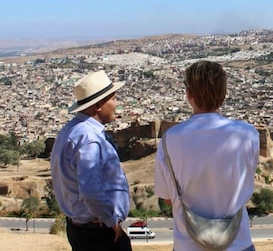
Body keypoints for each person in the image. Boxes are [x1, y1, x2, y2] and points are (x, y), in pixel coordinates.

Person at [154, 60, 260, 251]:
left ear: (189, 94)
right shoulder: (248, 134)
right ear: (224, 95)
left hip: (188, 245)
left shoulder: (170, 140)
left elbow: (167, 198)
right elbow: (247, 181)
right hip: (238, 243)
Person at [51, 70, 132, 251]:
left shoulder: (69, 131)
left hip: (79, 228)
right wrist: (111, 221)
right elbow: (89, 190)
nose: (117, 104)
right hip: (98, 233)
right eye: (113, 99)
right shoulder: (89, 139)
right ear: (98, 106)